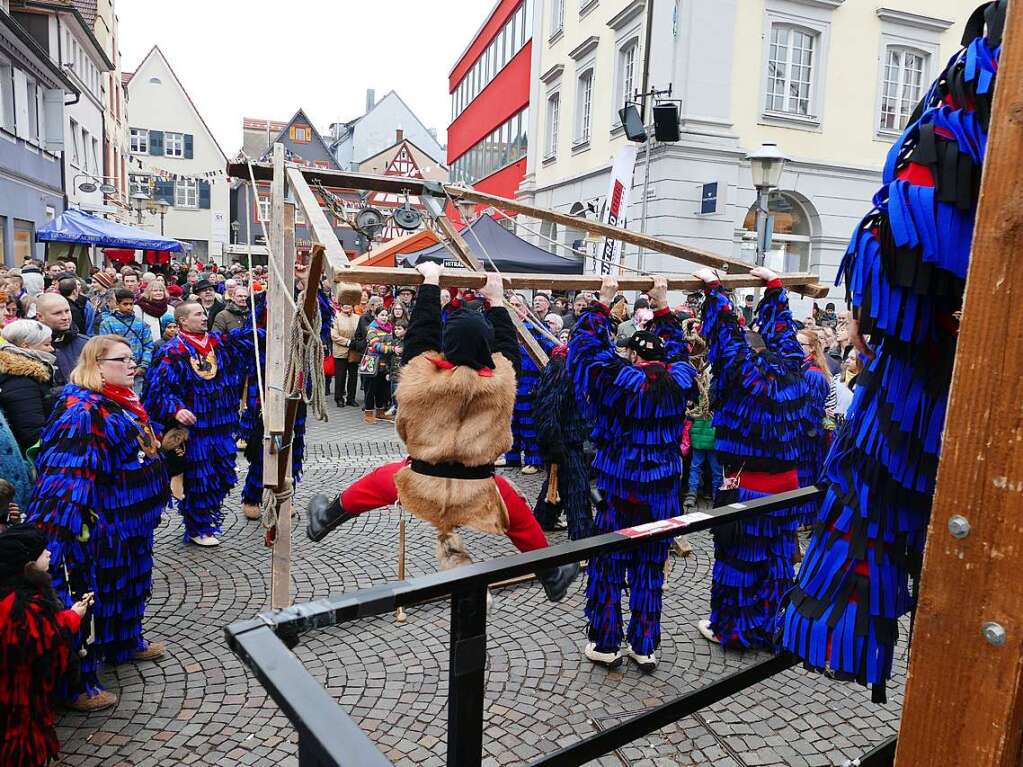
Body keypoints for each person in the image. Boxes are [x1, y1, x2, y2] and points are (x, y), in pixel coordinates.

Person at [306, 263, 578, 602]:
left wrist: (430, 284)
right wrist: (495, 301)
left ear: (447, 345)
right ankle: (551, 575)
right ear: (486, 348)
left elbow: (422, 334)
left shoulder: (423, 375)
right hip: (477, 487)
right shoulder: (500, 381)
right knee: (518, 516)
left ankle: (324, 519)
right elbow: (508, 350)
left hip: (421, 481)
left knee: (376, 483)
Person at [25, 335, 169, 712]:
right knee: (84, 597)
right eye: (123, 359)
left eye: (133, 357)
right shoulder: (82, 411)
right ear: (97, 366)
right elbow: (64, 478)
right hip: (99, 527)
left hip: (132, 524)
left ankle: (124, 641)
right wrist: (58, 538)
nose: (132, 364)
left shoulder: (124, 403)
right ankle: (78, 685)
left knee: (130, 584)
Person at [570, 275, 696, 672]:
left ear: (634, 358)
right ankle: (644, 645)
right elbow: (678, 352)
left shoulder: (618, 380)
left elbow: (587, 352)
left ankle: (607, 642)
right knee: (649, 567)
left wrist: (602, 304)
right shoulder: (679, 381)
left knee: (607, 564)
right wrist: (662, 307)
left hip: (621, 491)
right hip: (660, 494)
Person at [695, 266, 806, 650]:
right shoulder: (793, 370)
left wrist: (715, 290)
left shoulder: (742, 373)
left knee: (739, 559)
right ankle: (770, 624)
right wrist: (774, 288)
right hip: (788, 485)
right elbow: (785, 335)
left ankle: (733, 629)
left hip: (750, 486)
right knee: (777, 557)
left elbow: (725, 338)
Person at [143, 301, 255, 546]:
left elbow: (254, 335)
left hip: (222, 426)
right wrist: (177, 409)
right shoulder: (171, 351)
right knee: (199, 480)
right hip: (195, 432)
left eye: (204, 314)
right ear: (183, 321)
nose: (204, 317)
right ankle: (198, 527)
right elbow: (157, 390)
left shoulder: (220, 343)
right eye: (198, 314)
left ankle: (205, 520)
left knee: (223, 476)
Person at [0, 525, 90, 764]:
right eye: (42, 552)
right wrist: (73, 618)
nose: (49, 553)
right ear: (28, 566)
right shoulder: (23, 608)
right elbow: (46, 644)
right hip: (19, 705)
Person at [531, 345, 593, 540]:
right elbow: (549, 408)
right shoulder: (561, 368)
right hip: (562, 440)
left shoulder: (570, 364)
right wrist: (553, 444)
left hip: (567, 438)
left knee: (555, 480)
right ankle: (583, 538)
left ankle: (544, 519)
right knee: (578, 488)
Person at [0, 320, 56, 455]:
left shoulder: (24, 374)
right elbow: (32, 433)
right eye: (47, 344)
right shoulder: (21, 380)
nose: (52, 349)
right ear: (26, 345)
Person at [795, 327, 832, 528]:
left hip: (806, 433)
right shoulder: (802, 368)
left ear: (811, 348)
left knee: (806, 473)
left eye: (800, 344)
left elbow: (813, 408)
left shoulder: (814, 374)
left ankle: (805, 518)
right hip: (799, 432)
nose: (795, 346)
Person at [99, 288, 154, 391]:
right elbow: (105, 347)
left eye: (131, 304)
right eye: (125, 304)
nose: (129, 307)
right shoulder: (107, 323)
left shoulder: (141, 324)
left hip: (137, 370)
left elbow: (148, 345)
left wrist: (143, 365)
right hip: (116, 370)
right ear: (117, 304)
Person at [35, 293, 88, 385]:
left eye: (67, 311)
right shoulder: (30, 346)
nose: (65, 317)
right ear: (40, 317)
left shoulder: (87, 344)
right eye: (57, 313)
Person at [359, 307, 394, 424]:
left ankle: (380, 412)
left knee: (382, 389)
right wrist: (393, 349)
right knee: (370, 390)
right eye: (382, 315)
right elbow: (376, 346)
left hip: (384, 364)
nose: (384, 317)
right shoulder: (371, 329)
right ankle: (368, 414)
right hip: (372, 363)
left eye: (386, 315)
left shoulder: (390, 328)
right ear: (376, 316)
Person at [330, 300, 360, 407]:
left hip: (354, 352)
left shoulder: (357, 318)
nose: (347, 306)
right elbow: (334, 335)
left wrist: (357, 342)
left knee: (353, 376)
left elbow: (360, 332)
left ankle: (351, 398)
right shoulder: (336, 317)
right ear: (341, 306)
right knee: (340, 376)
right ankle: (339, 398)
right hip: (340, 350)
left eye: (349, 304)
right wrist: (348, 342)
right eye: (345, 304)